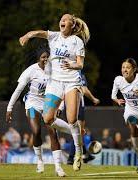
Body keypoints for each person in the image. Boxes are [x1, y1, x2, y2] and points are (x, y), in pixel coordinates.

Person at [19, 13, 90, 171]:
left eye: (66, 20)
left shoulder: (77, 41)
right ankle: (76, 134)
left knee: (72, 120)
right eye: (61, 19)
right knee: (47, 118)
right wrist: (28, 35)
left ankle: (78, 152)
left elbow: (80, 65)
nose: (62, 21)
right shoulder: (54, 36)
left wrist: (72, 65)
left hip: (71, 82)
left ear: (72, 25)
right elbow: (39, 33)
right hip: (55, 82)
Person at [6, 48, 68, 176]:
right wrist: (9, 108)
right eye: (43, 57)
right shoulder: (31, 70)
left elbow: (62, 89)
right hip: (32, 103)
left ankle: (58, 167)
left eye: (47, 57)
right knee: (36, 131)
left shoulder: (55, 70)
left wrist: (60, 107)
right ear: (38, 58)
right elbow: (18, 90)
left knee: (53, 132)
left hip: (48, 103)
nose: (46, 59)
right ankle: (40, 161)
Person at [57, 71, 100, 164]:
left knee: (77, 132)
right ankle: (71, 158)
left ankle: (85, 154)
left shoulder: (64, 75)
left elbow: (62, 93)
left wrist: (60, 107)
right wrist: (93, 99)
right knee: (77, 132)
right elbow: (84, 89)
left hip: (66, 106)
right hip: (77, 105)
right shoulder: (78, 74)